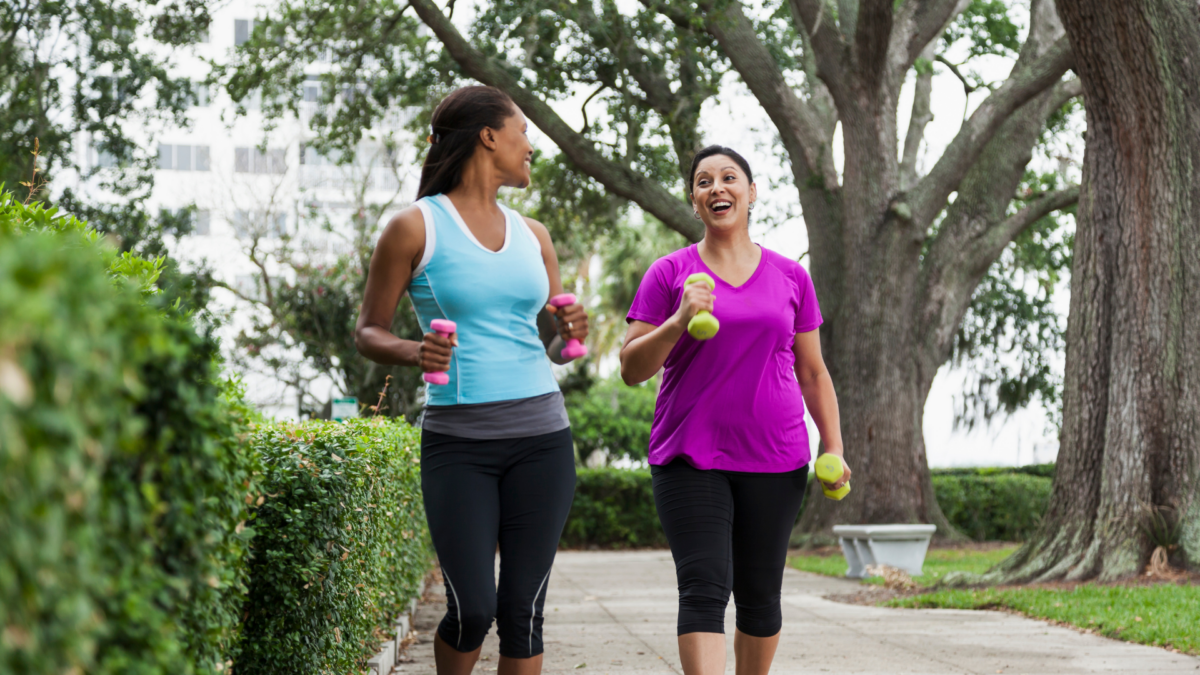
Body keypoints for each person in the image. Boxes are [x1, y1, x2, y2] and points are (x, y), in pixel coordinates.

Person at [354, 85, 588, 675]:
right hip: (460, 444)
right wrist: (416, 351)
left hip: (543, 438)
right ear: (489, 136)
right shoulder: (414, 227)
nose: (530, 146)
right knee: (473, 607)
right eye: (523, 132)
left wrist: (571, 332)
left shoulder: (534, 235)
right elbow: (368, 331)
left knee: (522, 611)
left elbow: (554, 348)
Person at [619, 145, 850, 675]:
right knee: (702, 587)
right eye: (704, 182)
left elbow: (813, 372)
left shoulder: (792, 276)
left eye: (729, 178)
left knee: (761, 595)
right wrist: (678, 320)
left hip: (777, 455)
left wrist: (832, 446)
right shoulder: (669, 272)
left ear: (750, 192)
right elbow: (633, 367)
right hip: (689, 452)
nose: (717, 188)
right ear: (694, 201)